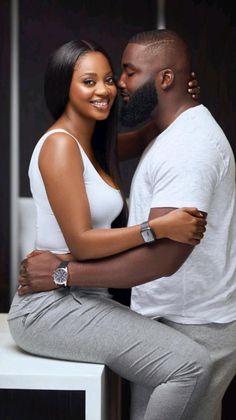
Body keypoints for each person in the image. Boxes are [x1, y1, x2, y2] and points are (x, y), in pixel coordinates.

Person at [17, 30, 236, 420]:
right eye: (89, 81)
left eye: (113, 76)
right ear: (63, 88)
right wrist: (156, 228)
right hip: (52, 301)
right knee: (189, 364)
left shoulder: (93, 146)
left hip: (81, 296)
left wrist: (176, 102)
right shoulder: (62, 145)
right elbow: (83, 243)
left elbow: (142, 136)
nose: (109, 87)